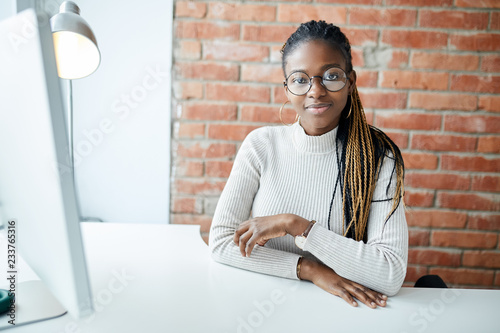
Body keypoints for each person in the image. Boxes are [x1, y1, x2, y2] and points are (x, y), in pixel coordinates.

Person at [208, 20, 407, 309]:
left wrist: (296, 225)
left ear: (350, 82)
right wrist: (310, 270)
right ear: (287, 89)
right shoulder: (261, 145)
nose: (316, 91)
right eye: (300, 79)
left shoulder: (378, 157)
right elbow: (222, 243)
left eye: (331, 76)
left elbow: (390, 274)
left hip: (344, 313)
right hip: (261, 307)